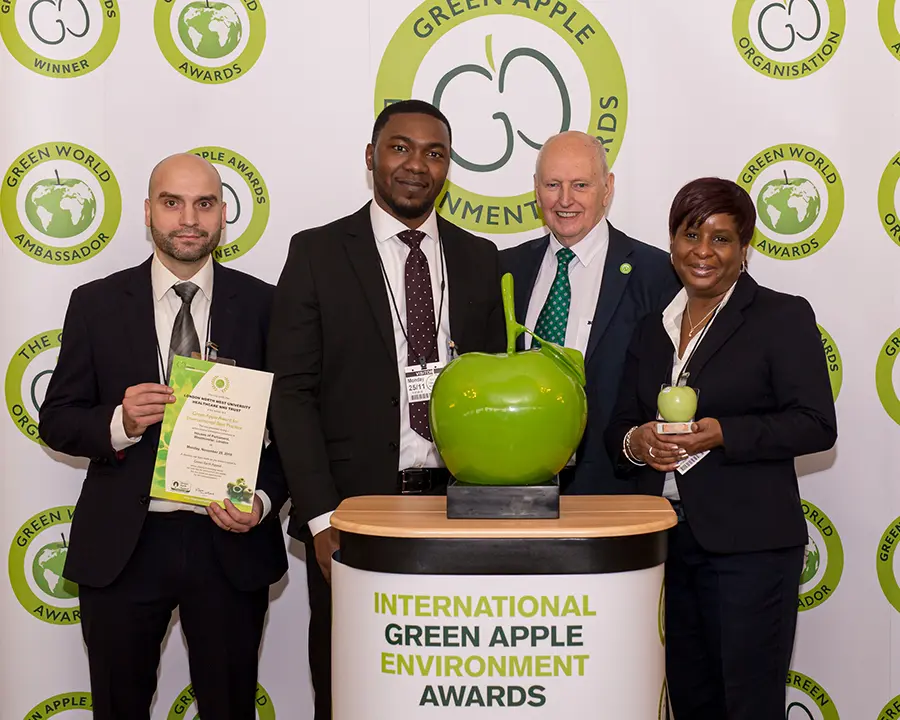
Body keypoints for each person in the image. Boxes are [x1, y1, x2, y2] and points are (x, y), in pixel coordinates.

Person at [267, 99, 505, 718]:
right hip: (354, 512)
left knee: (454, 686)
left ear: (448, 168)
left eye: (434, 153)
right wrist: (321, 520)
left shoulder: (480, 259)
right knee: (352, 687)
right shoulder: (316, 253)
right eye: (400, 147)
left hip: (461, 513)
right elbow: (290, 394)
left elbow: (498, 395)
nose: (416, 165)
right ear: (371, 158)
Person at [38, 153, 289, 720]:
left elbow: (294, 431)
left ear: (224, 214)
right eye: (172, 203)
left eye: (203, 204)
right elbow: (57, 418)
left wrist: (263, 500)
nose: (188, 219)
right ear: (148, 212)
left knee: (230, 709)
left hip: (229, 542)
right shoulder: (97, 302)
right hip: (125, 546)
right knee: (118, 708)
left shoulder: (265, 306)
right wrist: (119, 423)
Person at [604, 177, 837, 719]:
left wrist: (723, 432)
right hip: (664, 547)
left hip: (749, 551)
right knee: (690, 701)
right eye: (690, 235)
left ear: (744, 249)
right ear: (671, 242)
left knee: (746, 706)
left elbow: (814, 425)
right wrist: (637, 444)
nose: (703, 252)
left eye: (722, 238)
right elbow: (619, 426)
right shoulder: (651, 328)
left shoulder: (781, 317)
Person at [500, 131, 679, 494]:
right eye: (553, 184)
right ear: (536, 189)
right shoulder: (505, 269)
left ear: (607, 188)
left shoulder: (658, 275)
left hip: (616, 494)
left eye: (580, 184)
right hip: (515, 491)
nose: (565, 199)